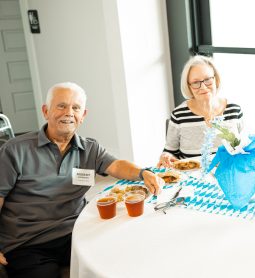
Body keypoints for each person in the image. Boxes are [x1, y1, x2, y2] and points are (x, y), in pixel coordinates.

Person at [0, 82, 164, 277]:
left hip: (77, 233)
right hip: (28, 242)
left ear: (83, 115)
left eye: (75, 108)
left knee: (124, 261)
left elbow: (117, 165)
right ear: (46, 111)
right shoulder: (15, 149)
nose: (69, 112)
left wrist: (143, 173)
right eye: (61, 106)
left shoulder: (89, 148)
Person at [157, 55, 244, 167]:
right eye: (195, 82)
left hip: (230, 176)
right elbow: (170, 152)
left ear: (216, 80)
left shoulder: (234, 110)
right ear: (188, 86)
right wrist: (166, 157)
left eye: (207, 80)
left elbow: (244, 149)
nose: (203, 87)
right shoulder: (179, 115)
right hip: (191, 181)